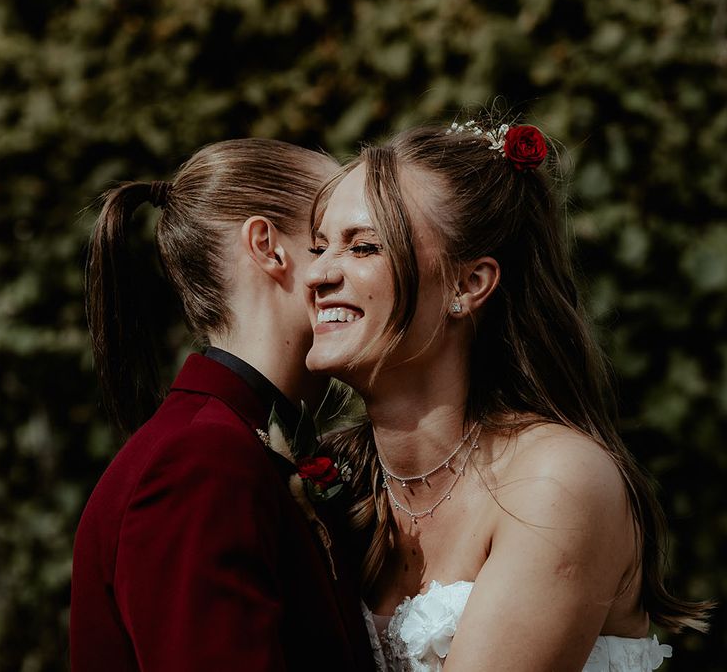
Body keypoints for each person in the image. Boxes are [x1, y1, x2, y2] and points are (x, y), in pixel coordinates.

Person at [303, 119, 711, 672]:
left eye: (364, 247)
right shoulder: (335, 482)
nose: (319, 274)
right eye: (319, 247)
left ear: (468, 285)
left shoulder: (556, 480)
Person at [70, 138, 376, 671]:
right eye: (328, 242)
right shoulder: (201, 461)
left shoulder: (239, 441)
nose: (349, 267)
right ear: (268, 247)